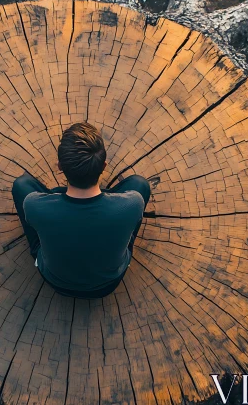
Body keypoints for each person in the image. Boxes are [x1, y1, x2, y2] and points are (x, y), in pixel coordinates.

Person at [11, 122, 151, 299]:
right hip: (109, 283)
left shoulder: (34, 205)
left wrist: (56, 196)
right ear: (104, 166)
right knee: (140, 184)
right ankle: (99, 200)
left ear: (60, 167)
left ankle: (67, 198)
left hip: (55, 280)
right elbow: (136, 192)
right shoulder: (133, 204)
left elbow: (31, 197)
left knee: (21, 185)